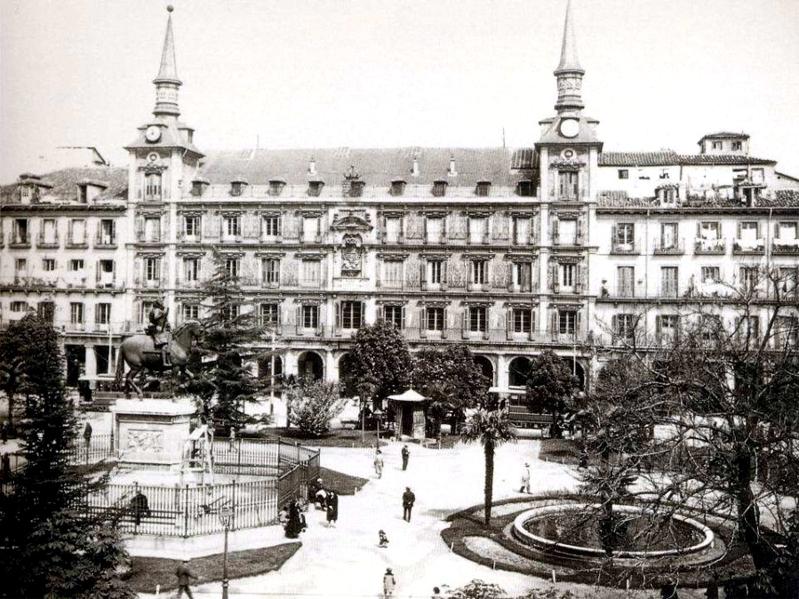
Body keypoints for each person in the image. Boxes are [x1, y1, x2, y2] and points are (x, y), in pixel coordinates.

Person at [146, 299, 171, 367]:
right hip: (155, 329)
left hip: (158, 329)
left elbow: (163, 321)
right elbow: (156, 317)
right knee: (165, 345)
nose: (163, 304)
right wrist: (163, 314)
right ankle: (164, 362)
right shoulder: (157, 310)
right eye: (162, 303)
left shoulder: (158, 310)